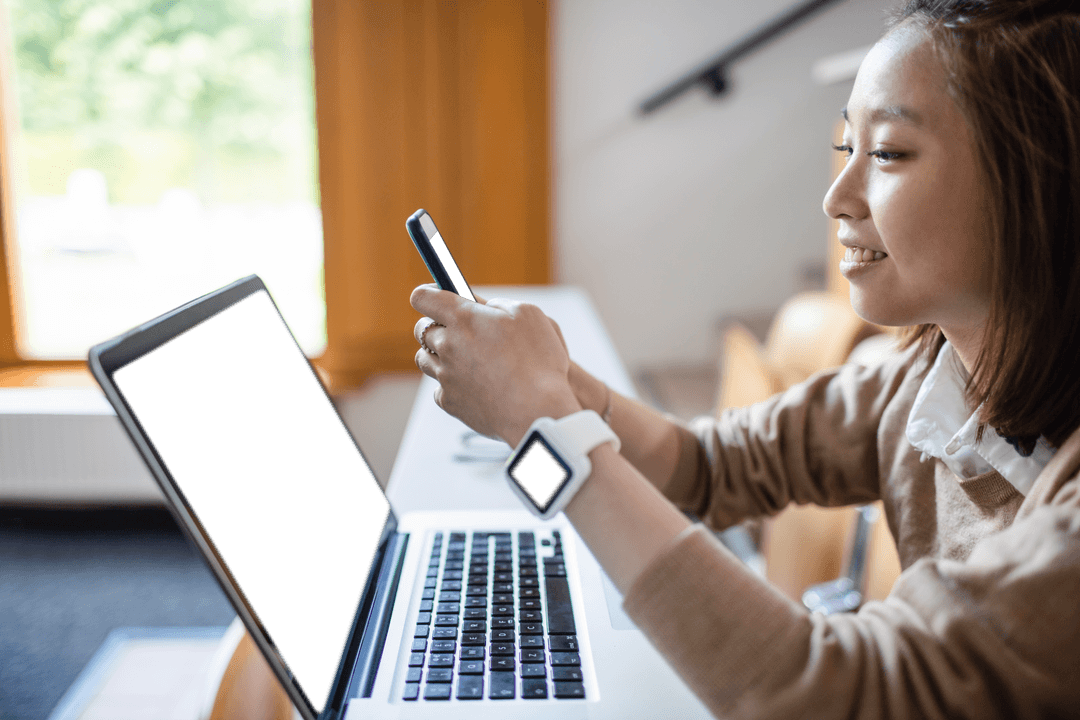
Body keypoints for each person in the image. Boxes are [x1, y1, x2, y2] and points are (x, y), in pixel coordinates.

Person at [409, 0, 1080, 716]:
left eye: (886, 153)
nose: (836, 198)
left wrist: (548, 427)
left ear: (1037, 183)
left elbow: (843, 693)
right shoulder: (924, 382)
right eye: (845, 148)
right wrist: (550, 388)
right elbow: (708, 465)